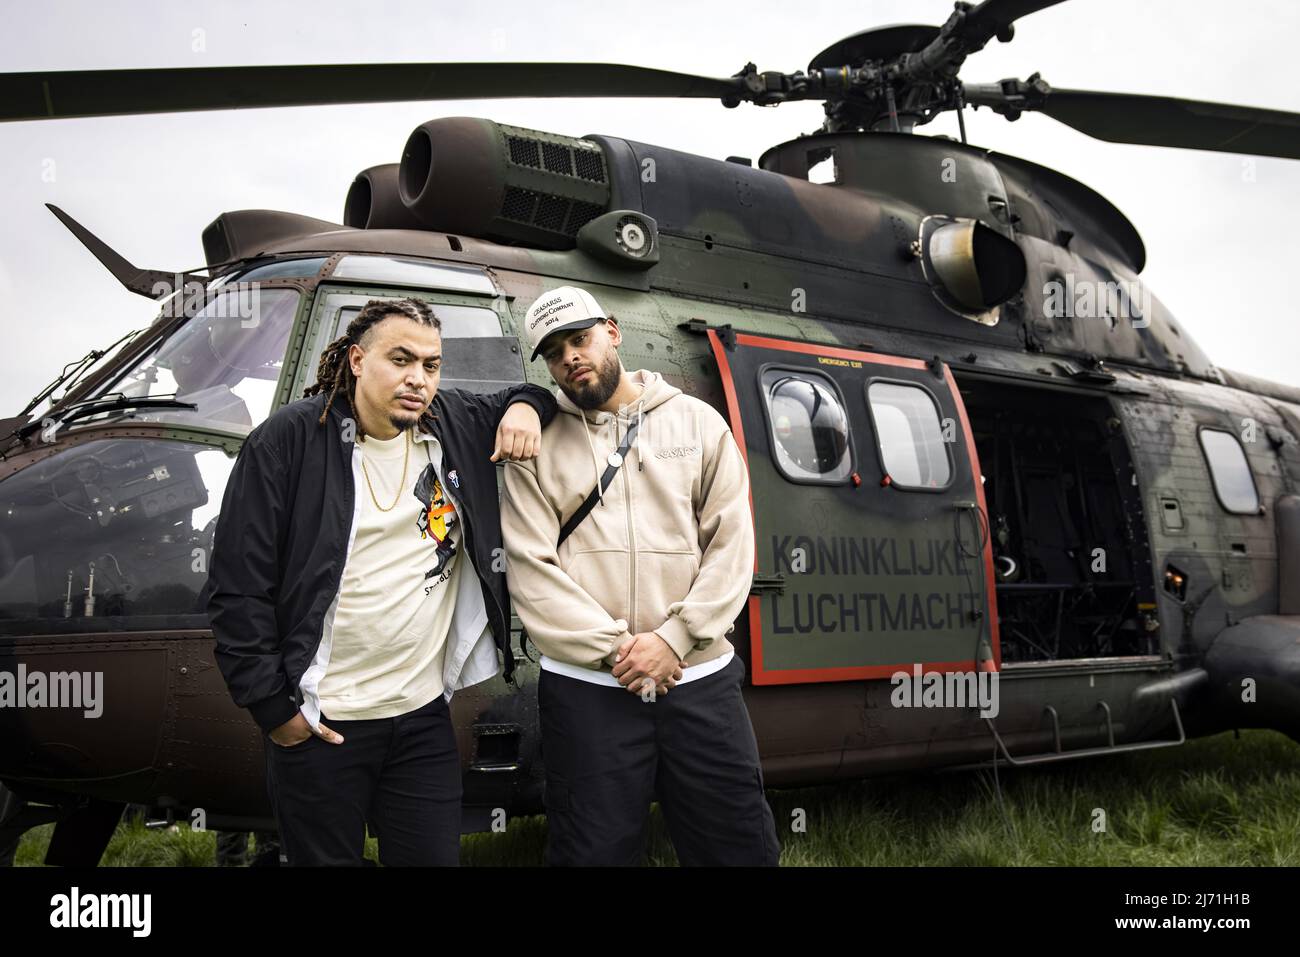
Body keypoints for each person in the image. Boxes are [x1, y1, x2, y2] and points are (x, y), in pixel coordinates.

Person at [205, 297, 556, 866]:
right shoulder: (286, 442)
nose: (418, 378)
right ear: (357, 360)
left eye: (432, 364)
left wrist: (524, 407)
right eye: (401, 359)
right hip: (321, 722)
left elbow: (535, 394)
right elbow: (238, 590)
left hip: (420, 721)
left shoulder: (451, 420)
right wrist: (275, 711)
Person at [500, 285, 780, 866]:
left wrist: (675, 640)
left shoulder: (701, 425)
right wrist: (620, 652)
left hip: (699, 683)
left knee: (737, 848)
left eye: (581, 339)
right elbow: (531, 570)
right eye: (554, 352)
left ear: (612, 332)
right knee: (590, 854)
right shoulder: (533, 443)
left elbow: (731, 548)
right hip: (587, 692)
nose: (571, 357)